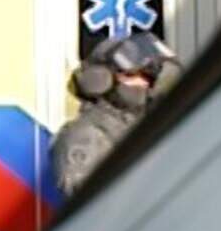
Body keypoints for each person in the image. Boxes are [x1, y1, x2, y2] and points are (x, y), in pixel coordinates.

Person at [51, 31, 177, 204]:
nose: (143, 83)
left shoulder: (148, 125)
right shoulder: (84, 135)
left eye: (147, 77)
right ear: (100, 80)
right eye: (131, 75)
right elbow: (98, 200)